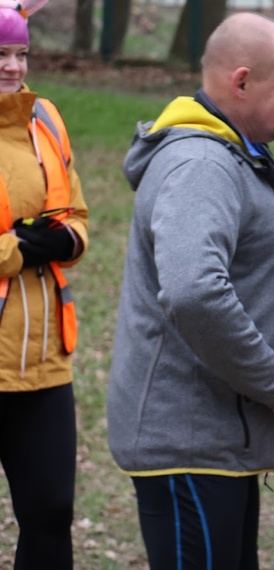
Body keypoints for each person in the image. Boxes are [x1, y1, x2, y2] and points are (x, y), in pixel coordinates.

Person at [107, 12, 274, 570]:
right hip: (190, 444)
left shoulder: (229, 154)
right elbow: (195, 291)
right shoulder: (200, 164)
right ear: (240, 82)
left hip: (220, 439)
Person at [0, 1, 89, 568]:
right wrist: (21, 248)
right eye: (1, 54)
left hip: (45, 361)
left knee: (52, 512)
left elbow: (75, 216)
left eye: (21, 53)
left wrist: (61, 240)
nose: (13, 66)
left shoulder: (46, 118)